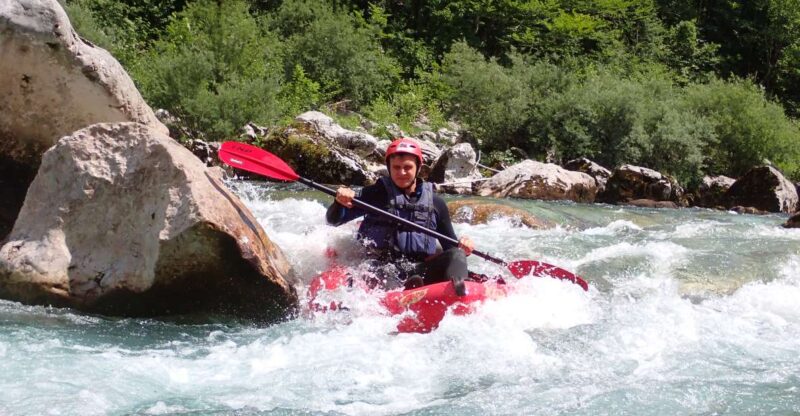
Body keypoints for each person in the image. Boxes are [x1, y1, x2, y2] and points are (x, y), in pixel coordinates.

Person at [326, 138, 474, 296]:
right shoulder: (375, 195)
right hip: (380, 270)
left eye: (407, 167)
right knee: (388, 273)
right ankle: (410, 291)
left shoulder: (436, 204)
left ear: (418, 168)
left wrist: (464, 247)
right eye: (396, 167)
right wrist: (339, 202)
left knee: (456, 255)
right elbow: (333, 220)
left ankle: (459, 293)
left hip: (419, 268)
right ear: (389, 168)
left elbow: (450, 247)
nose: (401, 173)